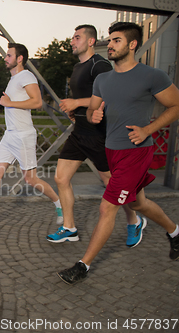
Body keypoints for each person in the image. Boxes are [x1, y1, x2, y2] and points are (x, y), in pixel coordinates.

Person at [58, 22, 179, 285]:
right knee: (136, 203)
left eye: (116, 40)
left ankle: (83, 265)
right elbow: (91, 112)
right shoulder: (102, 79)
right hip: (111, 150)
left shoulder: (152, 76)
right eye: (109, 40)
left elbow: (176, 105)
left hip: (136, 151)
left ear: (132, 44)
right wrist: (94, 114)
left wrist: (148, 129)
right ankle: (175, 231)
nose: (110, 45)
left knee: (107, 206)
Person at [47, 24, 140, 245]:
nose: (72, 41)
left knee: (112, 184)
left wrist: (76, 102)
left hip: (99, 135)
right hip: (79, 133)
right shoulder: (78, 67)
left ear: (90, 41)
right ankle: (69, 228)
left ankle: (134, 220)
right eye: (72, 37)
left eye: (77, 37)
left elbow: (109, 95)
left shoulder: (100, 65)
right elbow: (86, 98)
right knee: (61, 178)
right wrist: (75, 111)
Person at [0, 43, 63, 228]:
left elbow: (37, 102)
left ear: (20, 59)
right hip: (10, 136)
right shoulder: (13, 80)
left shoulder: (26, 75)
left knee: (30, 179)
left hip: (23, 136)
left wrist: (9, 103)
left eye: (9, 55)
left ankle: (60, 204)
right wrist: (9, 102)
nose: (5, 58)